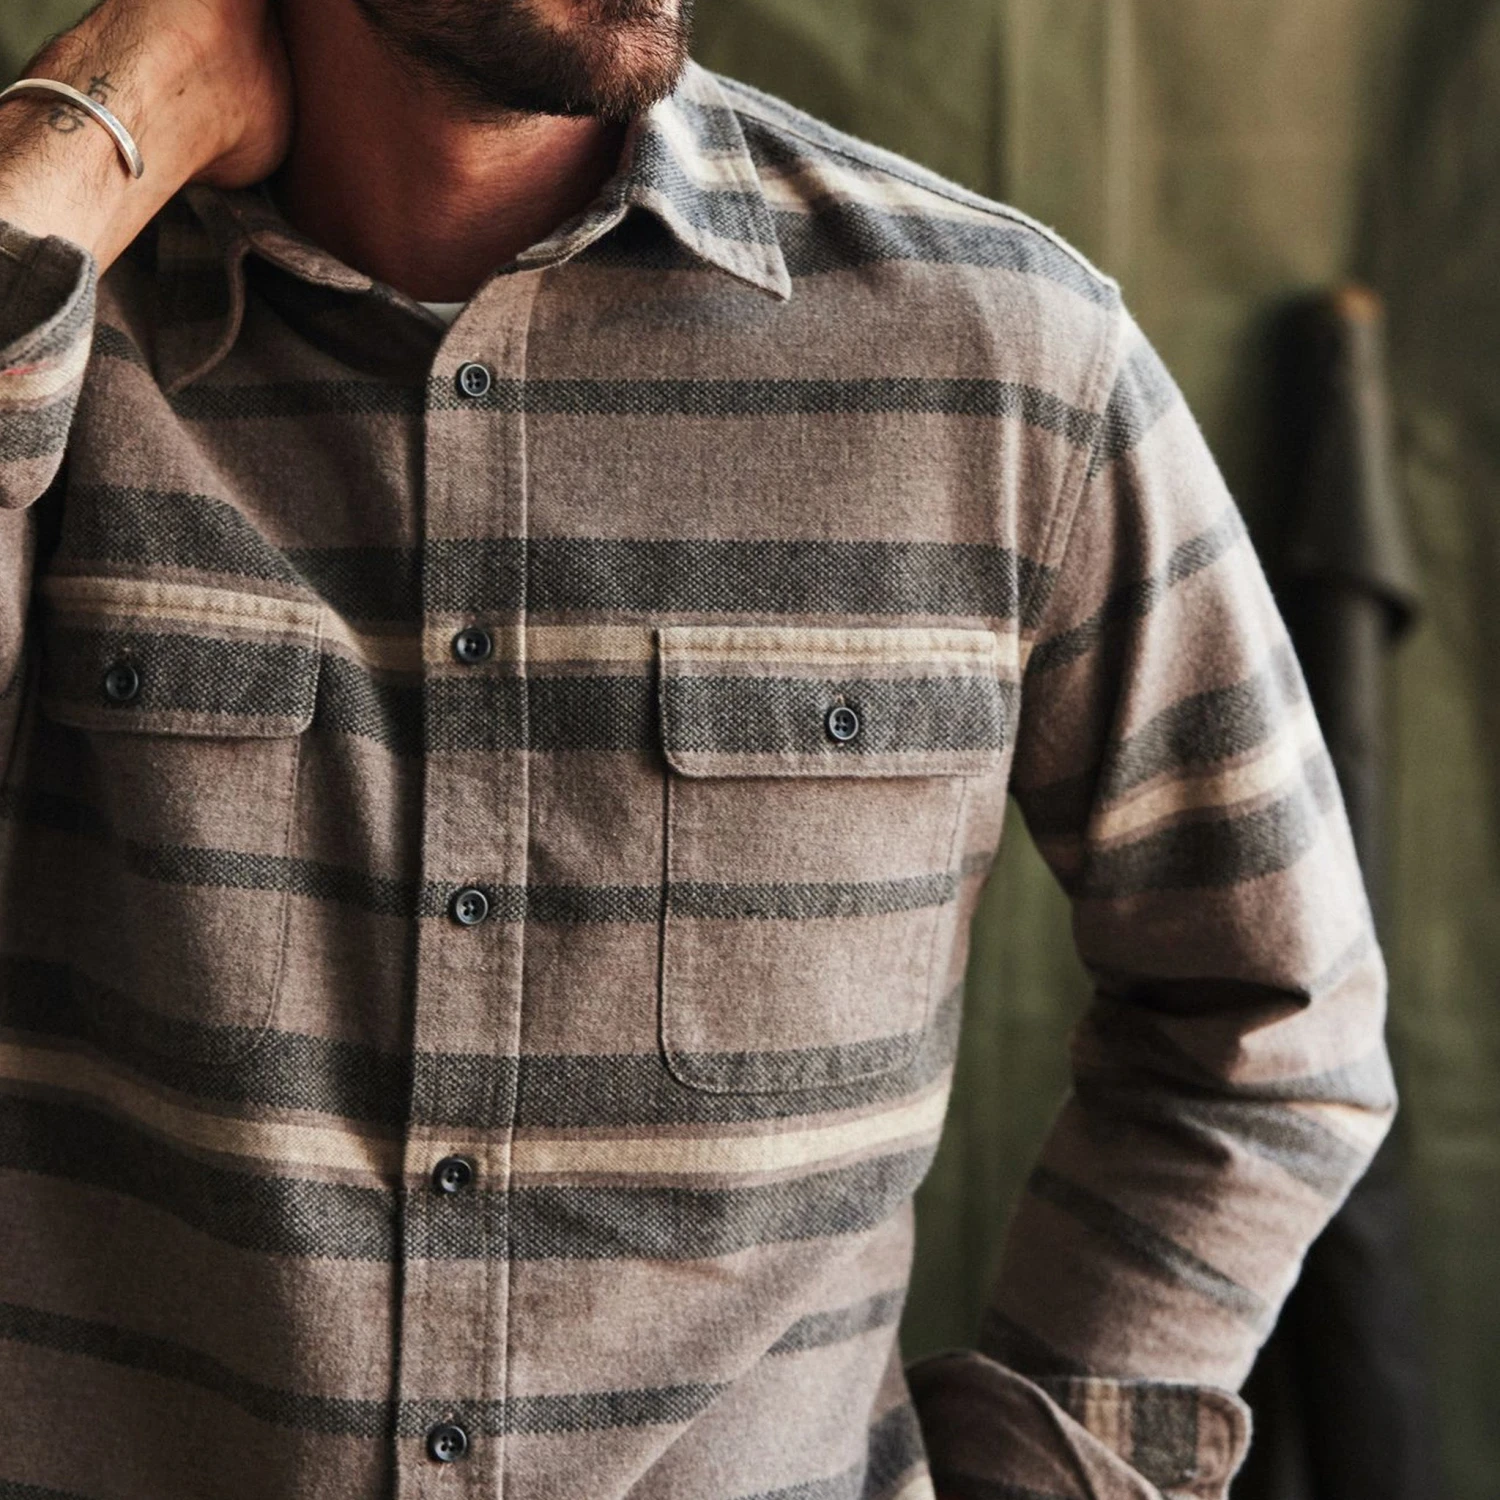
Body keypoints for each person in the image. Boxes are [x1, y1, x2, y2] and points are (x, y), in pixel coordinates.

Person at [0, 1, 1394, 1496]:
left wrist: (1054, 1473)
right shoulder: (58, 339)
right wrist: (82, 131)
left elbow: (1275, 1016)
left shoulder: (1006, 359)